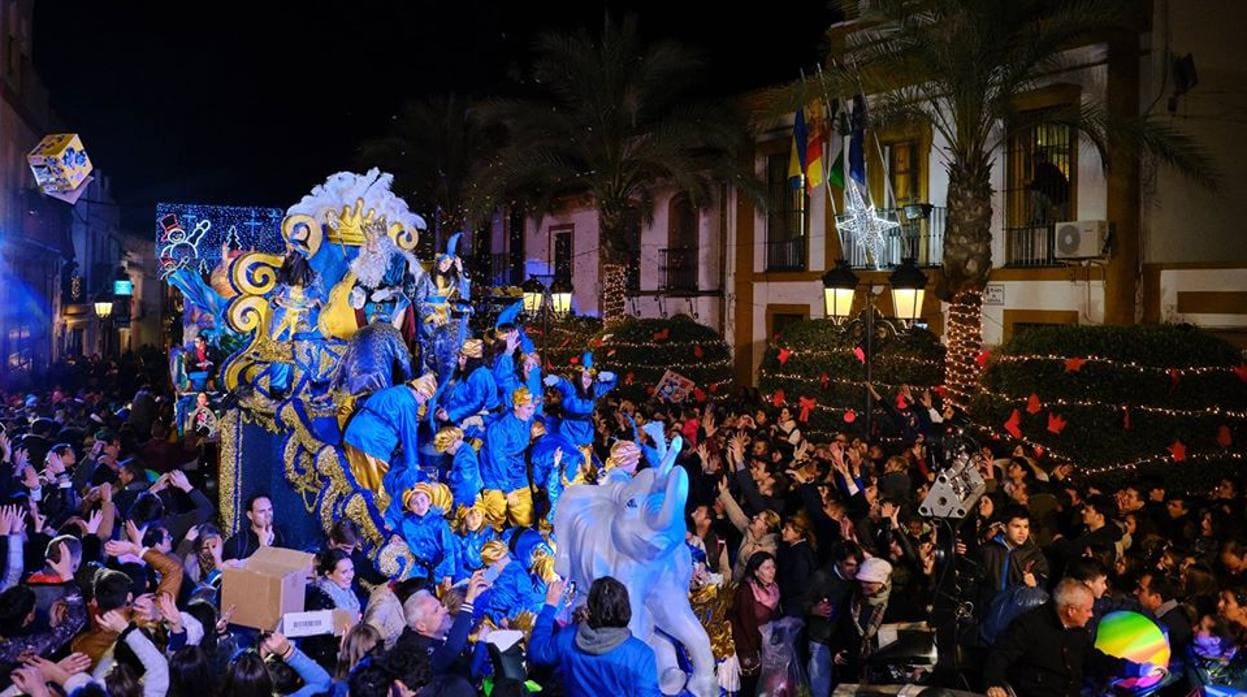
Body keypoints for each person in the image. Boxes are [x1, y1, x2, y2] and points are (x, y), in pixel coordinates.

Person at [984, 578, 1133, 697]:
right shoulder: (1030, 625)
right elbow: (1000, 655)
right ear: (1071, 611)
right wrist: (994, 684)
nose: (1091, 615)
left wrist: (1127, 668)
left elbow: (1092, 658)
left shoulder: (1078, 631)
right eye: (1087, 610)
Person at [528, 576, 663, 697]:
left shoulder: (568, 638)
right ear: (625, 608)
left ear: (591, 609)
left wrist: (549, 606)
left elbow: (537, 652)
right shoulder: (641, 655)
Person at [731, 551, 781, 696]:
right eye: (766, 568)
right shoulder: (746, 591)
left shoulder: (774, 589)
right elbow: (745, 623)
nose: (772, 571)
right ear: (756, 572)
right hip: (749, 649)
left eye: (773, 567)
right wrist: (760, 645)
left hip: (768, 648)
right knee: (750, 688)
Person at [223, 494, 285, 561]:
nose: (267, 515)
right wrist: (263, 547)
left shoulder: (278, 535)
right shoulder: (238, 543)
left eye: (270, 509)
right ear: (250, 515)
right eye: (262, 511)